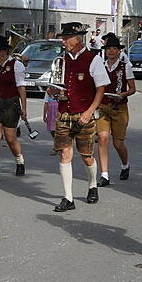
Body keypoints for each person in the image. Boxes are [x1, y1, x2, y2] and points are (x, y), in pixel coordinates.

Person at [49, 22, 110, 211]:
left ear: (78, 39)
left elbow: (101, 88)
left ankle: (92, 184)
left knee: (86, 156)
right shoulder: (61, 60)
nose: (63, 41)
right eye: (63, 38)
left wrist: (90, 111)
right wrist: (52, 91)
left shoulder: (93, 59)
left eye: (67, 38)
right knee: (65, 153)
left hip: (84, 113)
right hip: (64, 112)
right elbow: (55, 84)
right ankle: (68, 197)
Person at [0, 36, 28, 179]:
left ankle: (19, 159)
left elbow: (21, 87)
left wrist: (24, 108)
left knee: (10, 138)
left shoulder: (16, 65)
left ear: (5, 51)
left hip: (10, 103)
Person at [96, 35, 136, 183]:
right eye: (109, 48)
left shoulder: (125, 66)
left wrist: (123, 94)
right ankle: (104, 174)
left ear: (119, 51)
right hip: (104, 106)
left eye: (114, 48)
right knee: (102, 138)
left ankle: (125, 165)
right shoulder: (101, 66)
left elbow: (132, 88)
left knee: (118, 143)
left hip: (119, 108)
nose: (111, 51)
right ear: (105, 51)